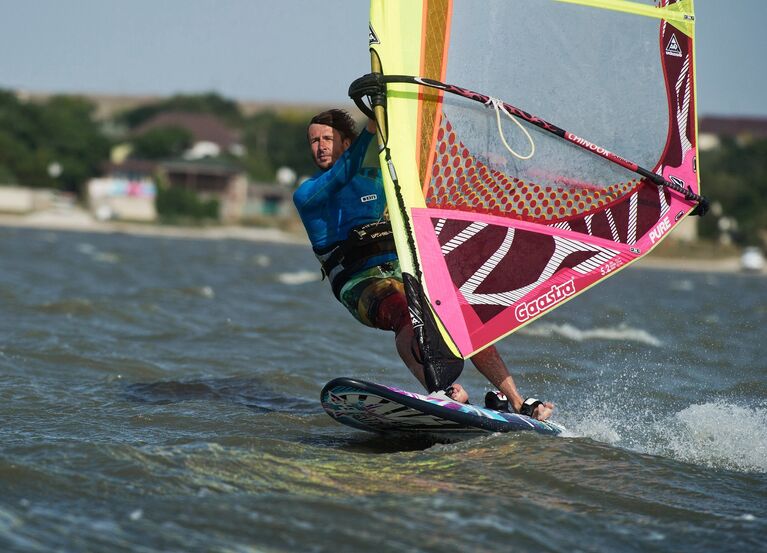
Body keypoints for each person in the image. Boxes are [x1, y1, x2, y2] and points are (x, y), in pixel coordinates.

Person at [293, 108, 553, 421]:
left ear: (345, 143)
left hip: (403, 274)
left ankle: (516, 400)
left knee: (462, 318)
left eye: (327, 139)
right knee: (405, 312)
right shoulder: (307, 194)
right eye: (313, 141)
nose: (320, 146)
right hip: (359, 284)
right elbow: (341, 176)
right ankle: (441, 391)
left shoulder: (378, 184)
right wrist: (371, 129)